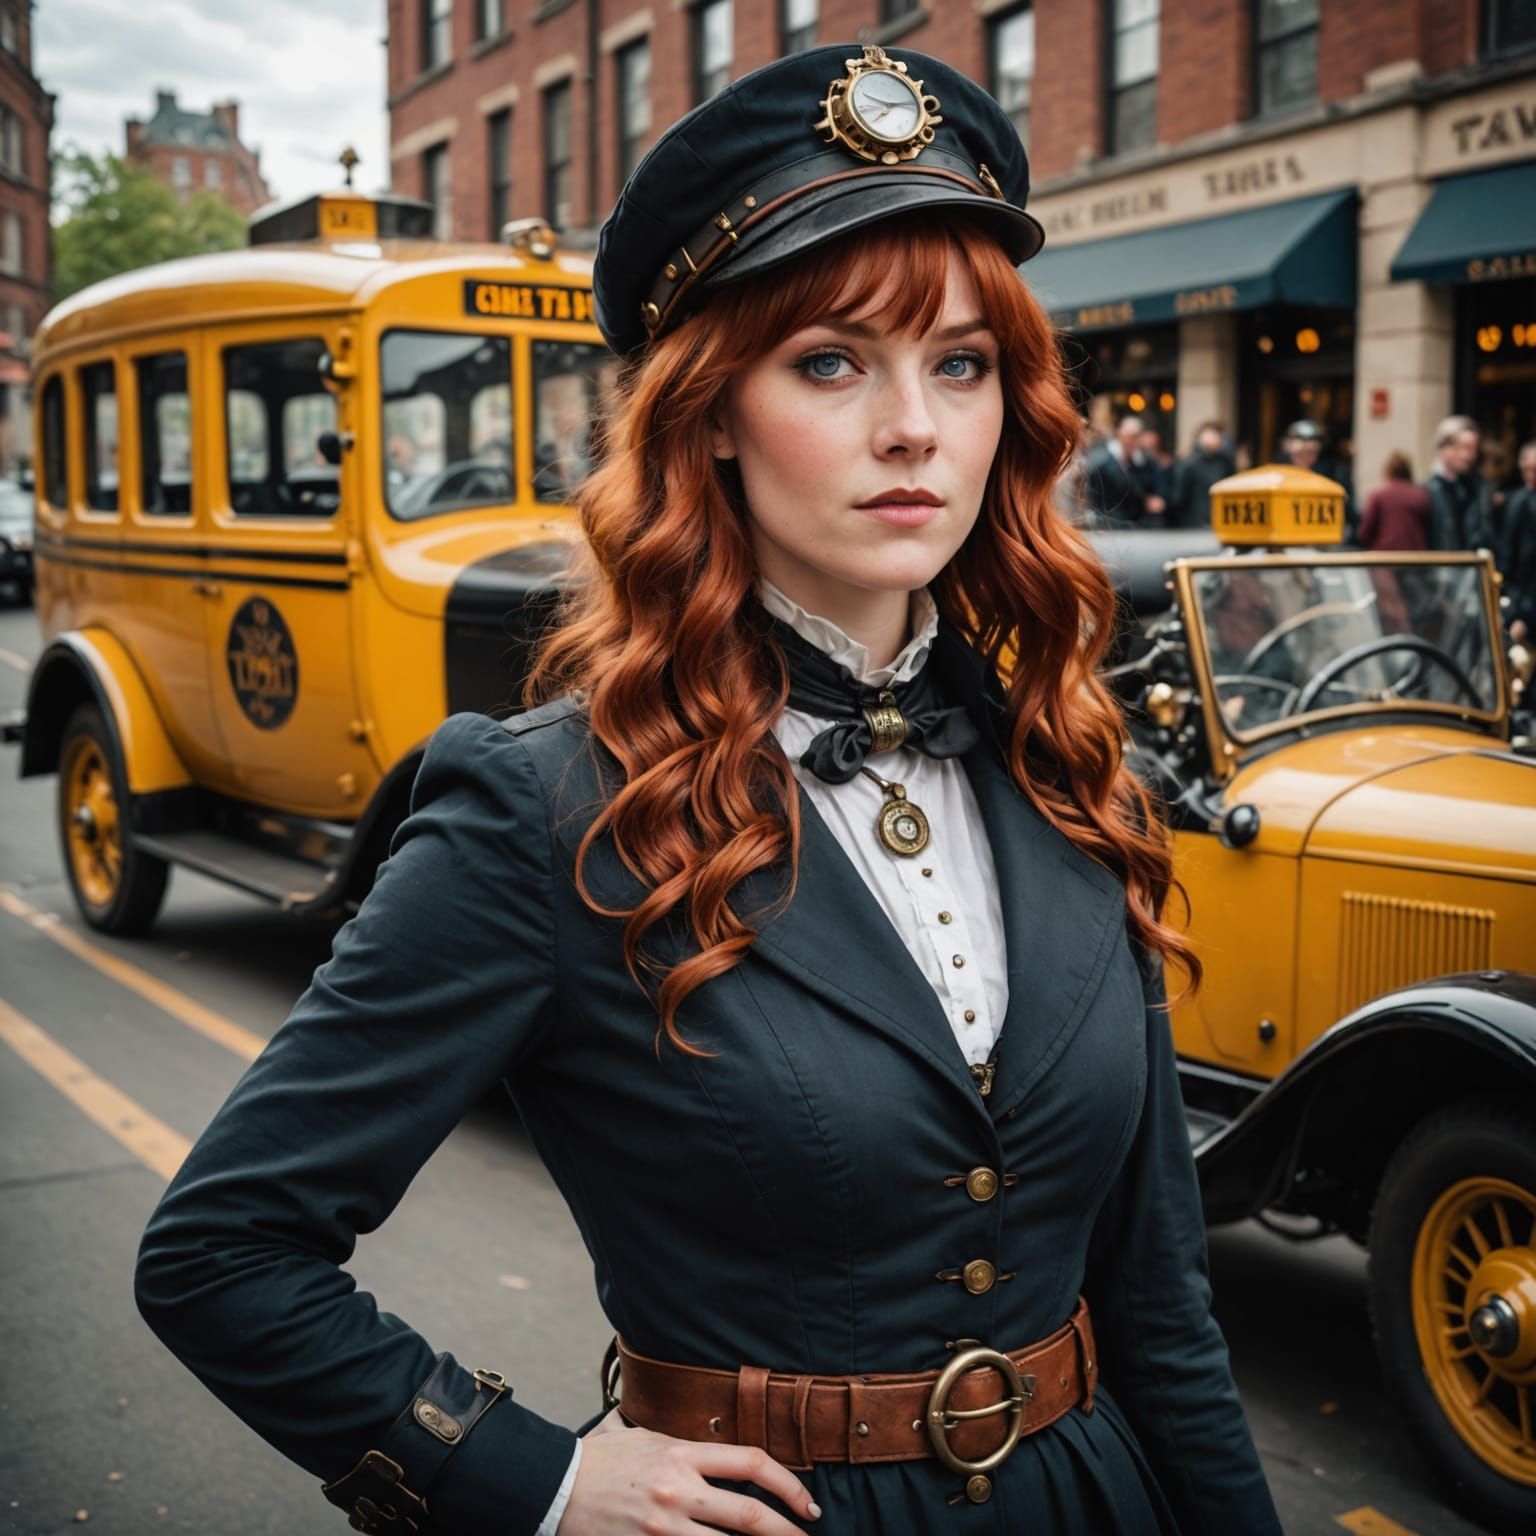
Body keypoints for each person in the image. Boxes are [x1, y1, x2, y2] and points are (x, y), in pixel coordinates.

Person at [134, 42, 1283, 1536]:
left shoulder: (1074, 769)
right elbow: (222, 1252)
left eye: (960, 362)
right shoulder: (544, 812)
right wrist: (526, 1479)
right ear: (711, 413)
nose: (913, 428)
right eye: (830, 362)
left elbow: (1163, 1304)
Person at [1424, 414, 1494, 552]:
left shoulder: (1475, 486)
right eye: (1466, 448)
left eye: (1474, 449)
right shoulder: (1427, 490)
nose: (1471, 456)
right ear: (1446, 449)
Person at [1082, 412, 1165, 527]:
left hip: (1137, 522)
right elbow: (1093, 494)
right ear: (1119, 433)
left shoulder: (1145, 462)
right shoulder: (1101, 460)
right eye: (1130, 436)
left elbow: (1151, 488)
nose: (1132, 441)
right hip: (1109, 521)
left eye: (1136, 437)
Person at [1359, 452, 1430, 551]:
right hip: (1414, 557)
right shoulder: (1420, 495)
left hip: (1385, 557)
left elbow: (1365, 531)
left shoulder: (1378, 494)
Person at [1171, 420, 1236, 529]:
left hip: (1219, 520)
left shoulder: (1225, 462)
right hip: (1195, 522)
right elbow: (1179, 496)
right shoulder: (1190, 463)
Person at [1502, 440, 1536, 644]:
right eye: (1526, 470)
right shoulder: (1517, 501)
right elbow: (1509, 555)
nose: (1530, 476)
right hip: (1520, 600)